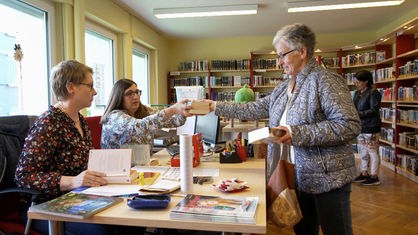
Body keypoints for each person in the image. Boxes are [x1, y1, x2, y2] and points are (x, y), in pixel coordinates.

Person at [202, 23, 361, 235]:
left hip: (329, 179)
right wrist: (215, 106)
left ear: (302, 52)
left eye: (283, 55)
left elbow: (349, 125)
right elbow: (256, 107)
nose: (279, 62)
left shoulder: (326, 81)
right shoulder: (286, 86)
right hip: (299, 175)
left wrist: (296, 133)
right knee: (304, 231)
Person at [15, 60, 145, 235]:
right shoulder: (48, 122)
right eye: (90, 86)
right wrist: (73, 181)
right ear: (71, 88)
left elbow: (85, 167)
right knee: (104, 229)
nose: (95, 91)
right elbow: (24, 176)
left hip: (81, 196)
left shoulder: (80, 121)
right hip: (46, 205)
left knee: (134, 217)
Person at [100, 78, 191, 149]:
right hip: (118, 170)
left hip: (142, 166)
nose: (135, 97)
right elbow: (138, 127)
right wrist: (173, 109)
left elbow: (174, 121)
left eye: (137, 92)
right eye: (129, 93)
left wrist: (186, 110)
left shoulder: (143, 110)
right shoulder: (114, 117)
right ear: (118, 97)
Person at [353, 70, 382, 186]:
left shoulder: (374, 92)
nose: (356, 85)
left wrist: (357, 114)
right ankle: (364, 173)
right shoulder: (357, 93)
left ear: (366, 81)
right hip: (361, 126)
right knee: (363, 151)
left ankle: (374, 176)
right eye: (355, 83)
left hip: (371, 126)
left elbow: (374, 110)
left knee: (372, 152)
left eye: (358, 83)